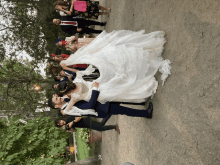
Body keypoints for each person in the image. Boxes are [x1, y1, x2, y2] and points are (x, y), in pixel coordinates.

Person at [60, 30, 171, 104]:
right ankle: (145, 64)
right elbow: (79, 72)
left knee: (122, 59)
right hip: (100, 84)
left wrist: (67, 67)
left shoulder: (77, 81)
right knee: (122, 66)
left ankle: (147, 61)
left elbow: (79, 71)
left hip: (99, 67)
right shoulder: (75, 89)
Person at [48, 82, 154, 124]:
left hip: (101, 103)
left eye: (57, 96)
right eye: (57, 99)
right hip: (100, 108)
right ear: (56, 106)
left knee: (120, 99)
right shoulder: (68, 109)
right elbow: (89, 107)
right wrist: (95, 89)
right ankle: (146, 114)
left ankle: (140, 102)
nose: (59, 98)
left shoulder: (67, 100)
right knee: (125, 110)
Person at [54, 115, 120, 133]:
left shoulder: (68, 118)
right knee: (101, 125)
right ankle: (114, 125)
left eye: (59, 122)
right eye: (59, 125)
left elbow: (79, 117)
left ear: (60, 119)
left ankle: (114, 126)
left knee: (100, 127)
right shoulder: (67, 126)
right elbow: (75, 130)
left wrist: (73, 122)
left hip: (87, 121)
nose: (61, 123)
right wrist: (69, 130)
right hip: (86, 125)